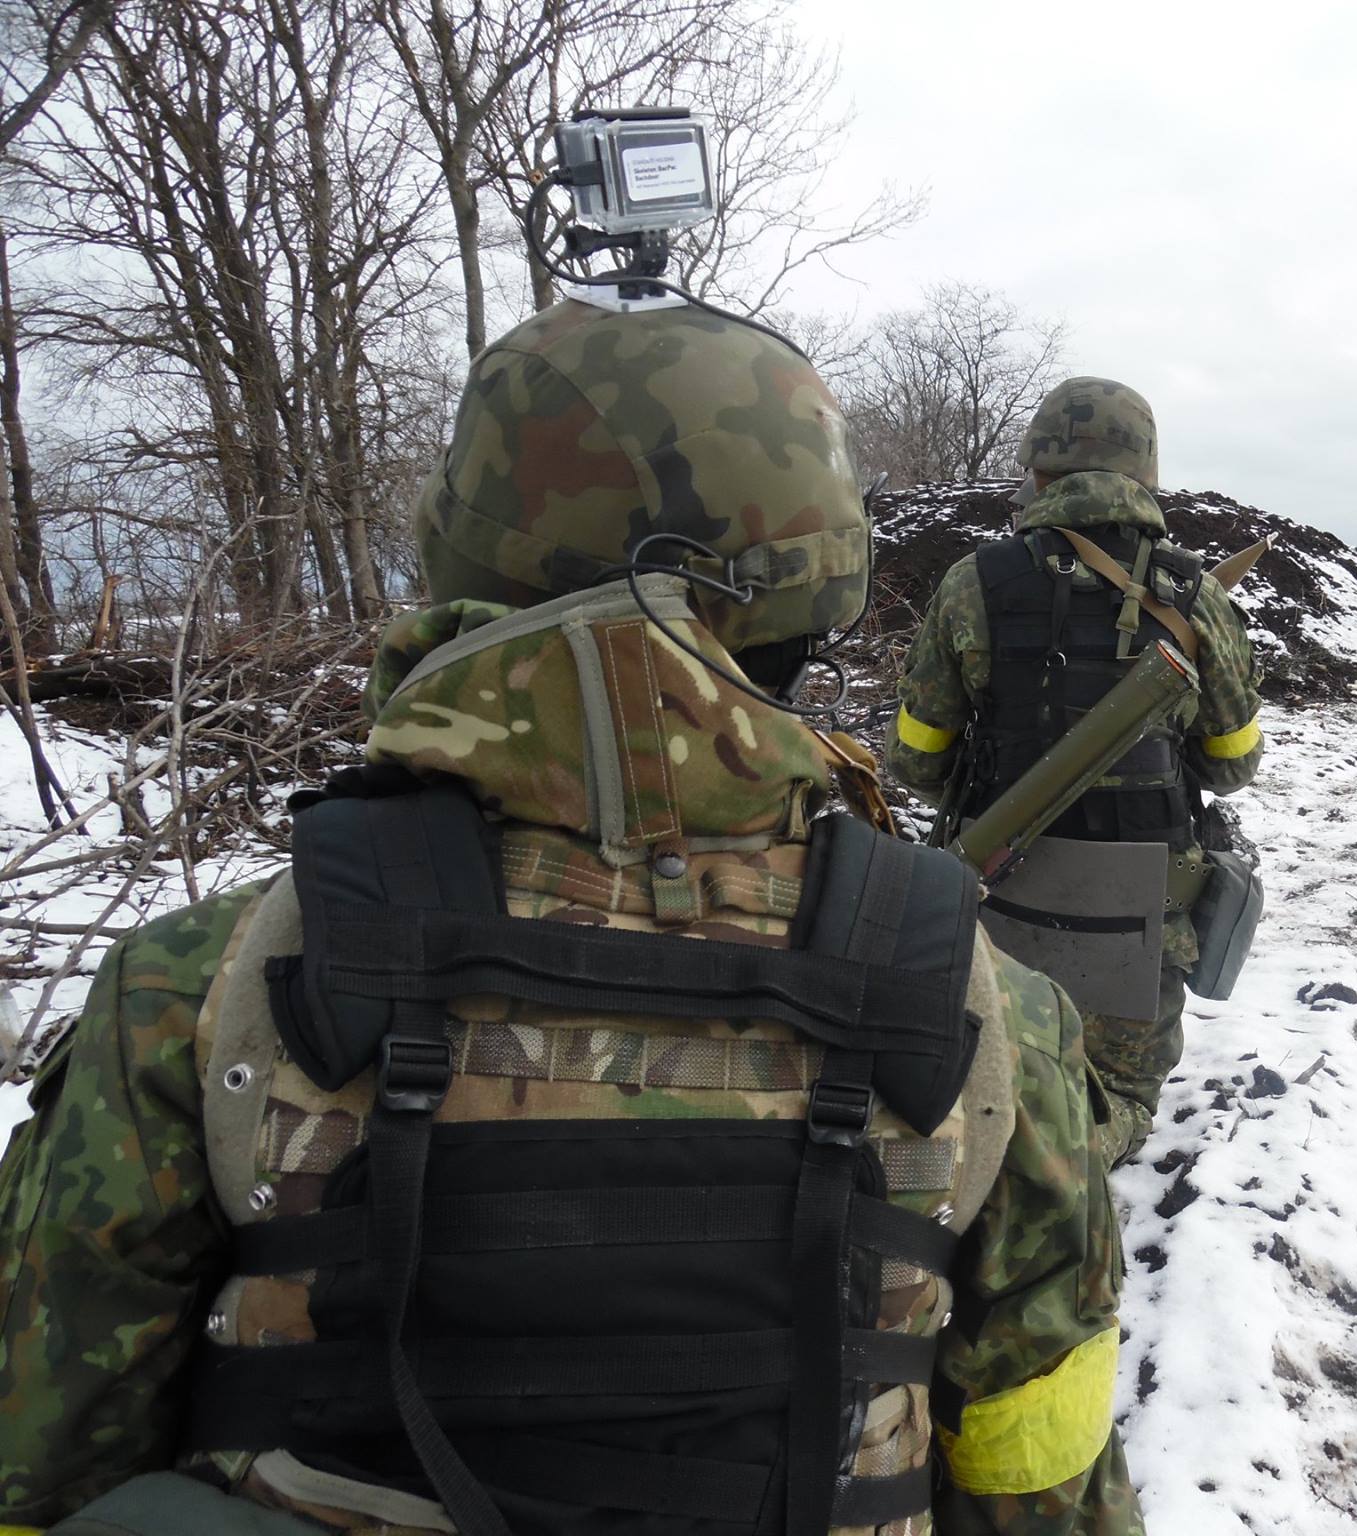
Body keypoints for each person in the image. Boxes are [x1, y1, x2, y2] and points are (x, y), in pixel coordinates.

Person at [0, 300, 1142, 1536]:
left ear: (462, 566)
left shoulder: (206, 984)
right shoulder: (985, 1014)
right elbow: (1043, 1488)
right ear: (818, 599)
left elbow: (42, 1455)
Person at [885, 377, 1263, 1170]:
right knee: (1117, 1101)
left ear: (1038, 471)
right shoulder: (1196, 594)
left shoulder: (972, 585)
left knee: (991, 1072)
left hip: (999, 893)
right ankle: (1074, 1164)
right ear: (1145, 476)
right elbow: (1234, 765)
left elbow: (918, 758)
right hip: (1147, 909)